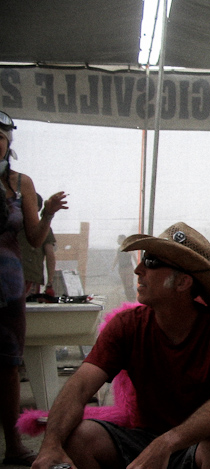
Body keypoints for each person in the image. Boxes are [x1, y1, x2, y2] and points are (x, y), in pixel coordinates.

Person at [31, 222, 210, 469]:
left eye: (151, 262)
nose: (139, 270)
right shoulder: (127, 325)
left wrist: (166, 443)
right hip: (144, 438)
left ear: (183, 282)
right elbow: (79, 387)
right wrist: (51, 445)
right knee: (79, 437)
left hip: (199, 444)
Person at [1, 110, 67, 466]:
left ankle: (13, 444)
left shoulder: (20, 183)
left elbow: (34, 237)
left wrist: (49, 213)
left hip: (8, 283)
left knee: (9, 364)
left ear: (8, 144)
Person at [19, 194, 57, 298]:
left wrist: (50, 282)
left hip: (31, 278)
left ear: (38, 208)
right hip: (9, 276)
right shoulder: (10, 227)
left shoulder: (44, 229)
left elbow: (50, 255)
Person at [111, 234, 136, 302]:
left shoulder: (128, 248)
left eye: (119, 239)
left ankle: (133, 299)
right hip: (121, 268)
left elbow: (133, 255)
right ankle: (129, 299)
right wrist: (113, 266)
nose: (117, 241)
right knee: (125, 285)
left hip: (128, 268)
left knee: (129, 284)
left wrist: (137, 264)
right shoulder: (119, 249)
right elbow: (117, 258)